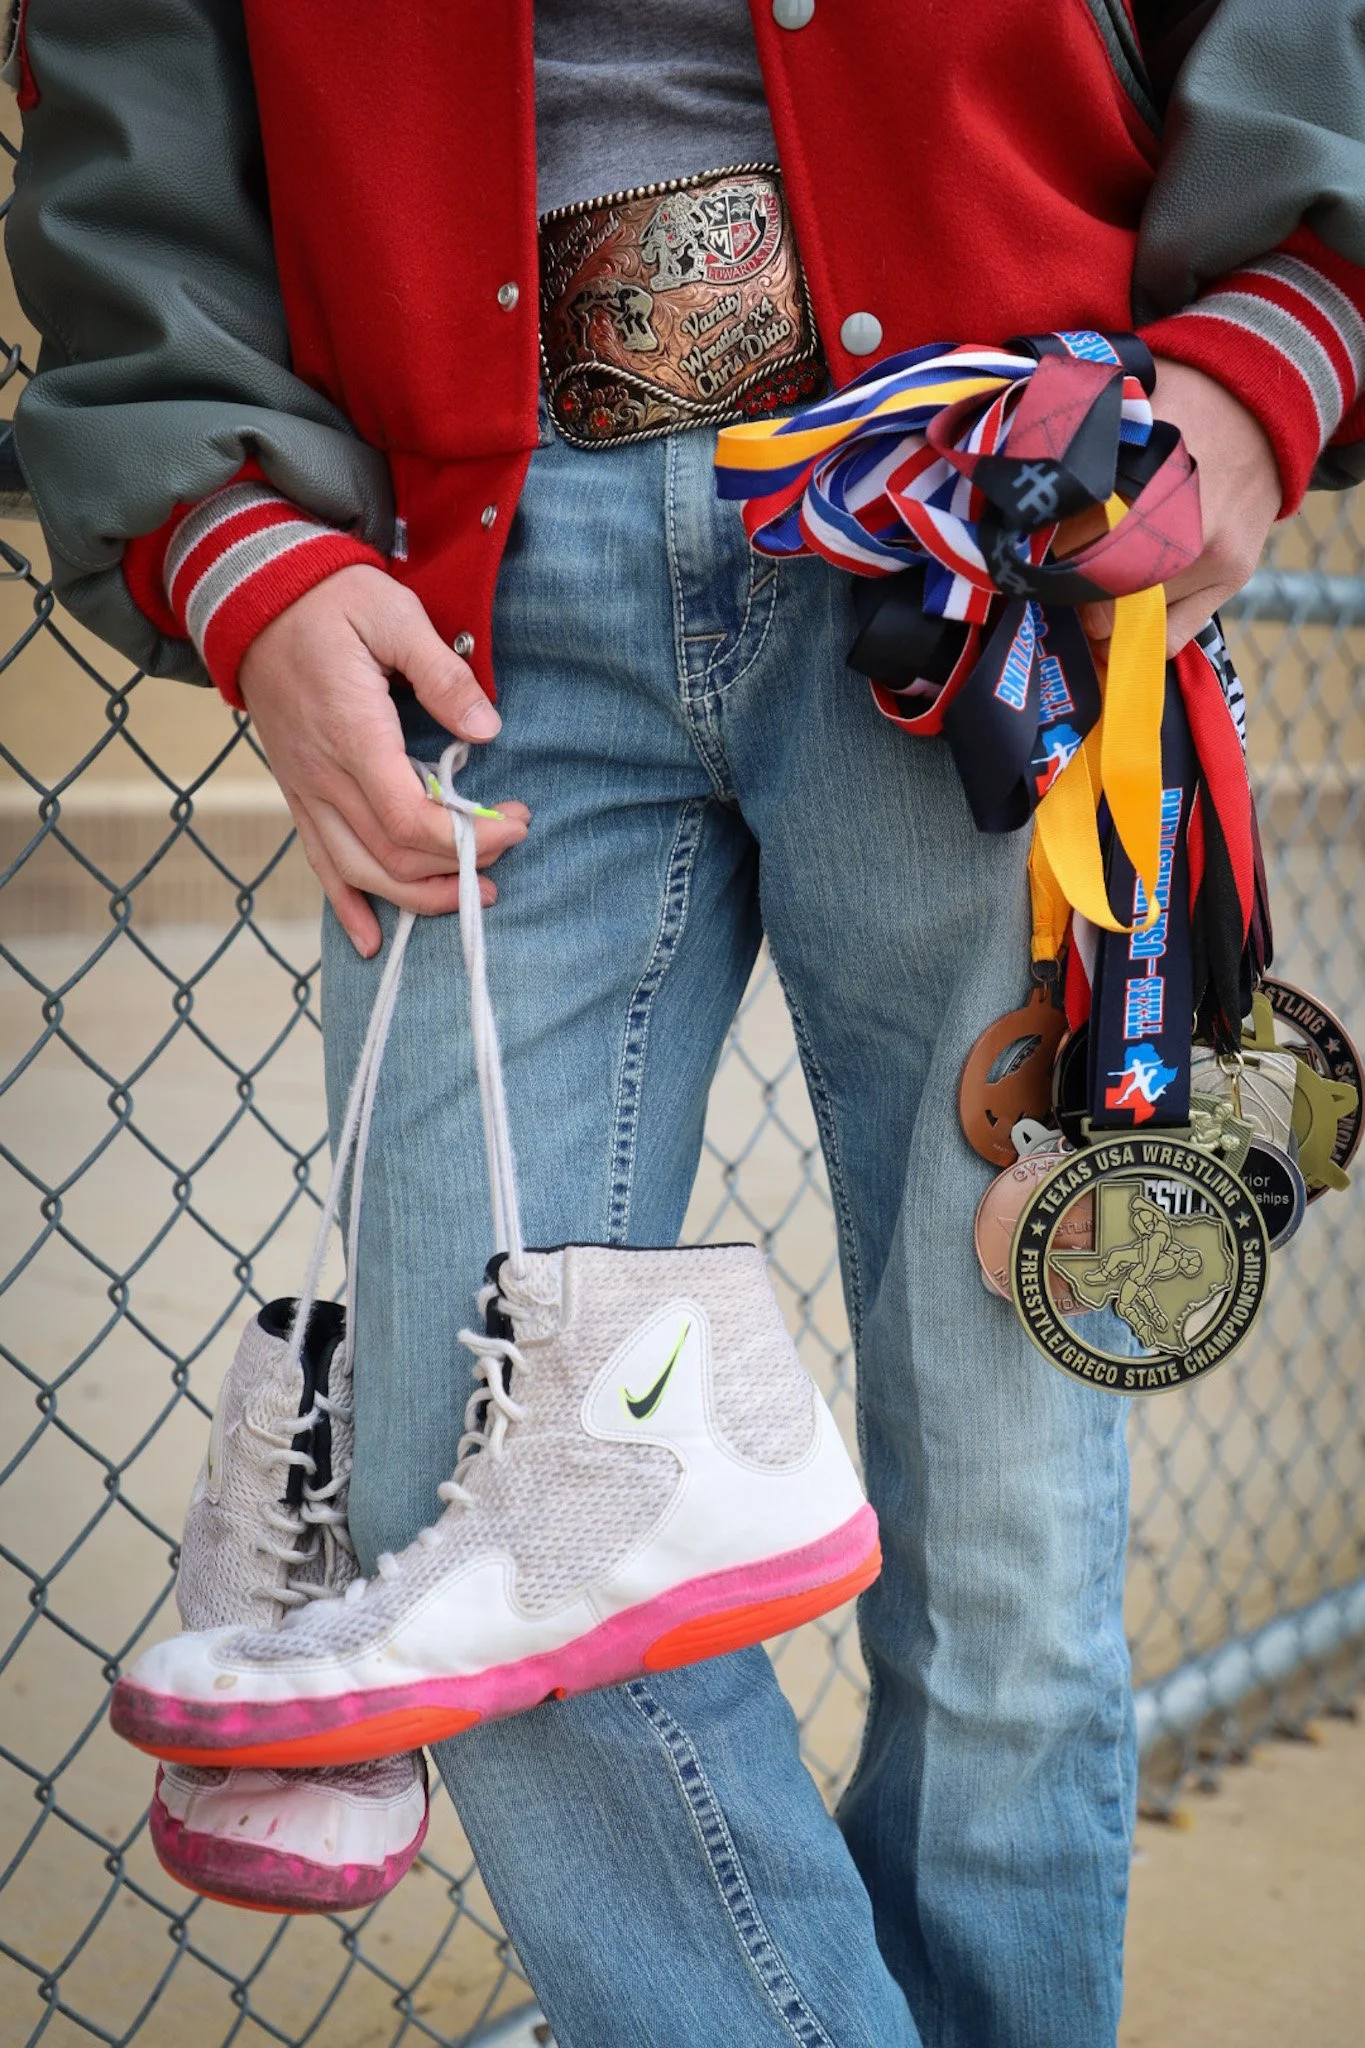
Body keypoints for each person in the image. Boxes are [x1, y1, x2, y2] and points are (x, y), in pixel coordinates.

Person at [9, 3, 1365, 2042]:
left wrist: (1269, 353)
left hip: (977, 528)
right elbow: (129, 67)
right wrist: (225, 528)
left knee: (1003, 1549)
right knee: (477, 1515)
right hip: (460, 580)